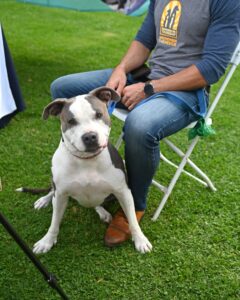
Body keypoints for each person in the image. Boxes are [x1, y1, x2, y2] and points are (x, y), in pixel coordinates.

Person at [50, 0, 240, 247]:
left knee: (140, 126)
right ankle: (76, 168)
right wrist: (121, 69)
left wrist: (149, 89)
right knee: (62, 88)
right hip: (147, 75)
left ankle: (134, 206)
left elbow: (211, 68)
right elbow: (144, 41)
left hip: (186, 91)